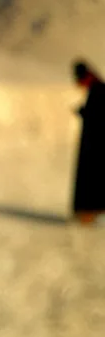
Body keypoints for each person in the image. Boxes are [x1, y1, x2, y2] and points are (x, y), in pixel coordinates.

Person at [72, 60, 105, 224]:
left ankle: (88, 212)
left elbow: (99, 117)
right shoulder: (97, 88)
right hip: (95, 144)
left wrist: (84, 113)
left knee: (91, 178)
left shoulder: (98, 90)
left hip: (96, 145)